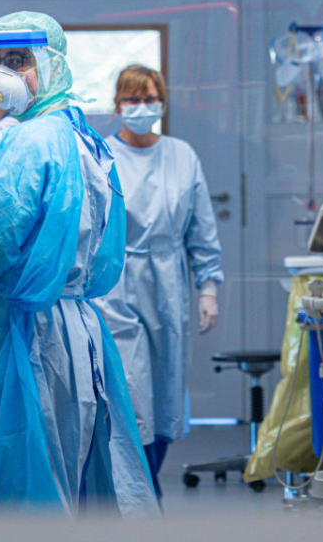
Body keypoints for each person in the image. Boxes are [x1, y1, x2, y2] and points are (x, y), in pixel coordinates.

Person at [0, 12, 158, 518]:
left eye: (20, 60)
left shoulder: (27, 141)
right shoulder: (82, 136)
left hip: (21, 335)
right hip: (75, 329)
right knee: (66, 482)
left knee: (8, 487)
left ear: (52, 64)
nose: (3, 76)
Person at [94, 64, 224, 498]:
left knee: (166, 396)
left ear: (163, 103)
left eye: (150, 98)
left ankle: (148, 491)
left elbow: (202, 230)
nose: (142, 107)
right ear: (117, 106)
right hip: (117, 286)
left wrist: (208, 288)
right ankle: (141, 496)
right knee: (131, 394)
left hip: (168, 286)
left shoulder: (182, 156)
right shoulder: (102, 156)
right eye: (133, 99)